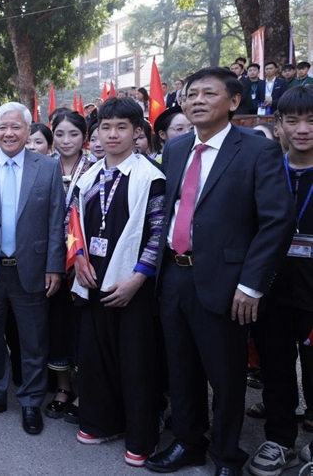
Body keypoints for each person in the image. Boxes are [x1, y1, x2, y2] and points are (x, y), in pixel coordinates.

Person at [145, 67, 295, 476]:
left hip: (229, 283)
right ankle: (189, 443)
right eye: (191, 94)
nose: (196, 100)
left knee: (226, 375)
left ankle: (227, 454)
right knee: (181, 368)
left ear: (232, 101)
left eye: (208, 94)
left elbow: (277, 222)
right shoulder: (175, 150)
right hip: (174, 275)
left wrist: (251, 284)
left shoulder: (256, 150)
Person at [0, 102, 66, 436]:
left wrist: (54, 267)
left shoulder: (47, 168)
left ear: (29, 130)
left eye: (16, 127)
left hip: (31, 269)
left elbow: (55, 223)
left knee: (33, 341)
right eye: (2, 127)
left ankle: (31, 401)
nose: (8, 133)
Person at [70, 97, 166, 467]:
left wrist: (138, 279)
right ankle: (101, 422)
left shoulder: (151, 176)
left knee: (136, 362)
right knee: (94, 358)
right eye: (105, 127)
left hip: (132, 286)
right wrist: (77, 257)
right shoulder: (89, 174)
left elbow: (159, 234)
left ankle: (141, 436)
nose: (112, 134)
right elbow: (71, 223)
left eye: (121, 127)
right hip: (92, 278)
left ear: (136, 132)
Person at [246, 86, 313, 476]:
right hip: (271, 289)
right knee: (275, 367)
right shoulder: (267, 170)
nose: (303, 129)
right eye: (293, 120)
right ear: (279, 125)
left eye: (311, 120)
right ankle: (280, 440)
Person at [45, 111, 93, 421]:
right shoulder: (43, 167)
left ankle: (85, 389)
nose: (66, 141)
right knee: (56, 325)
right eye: (60, 134)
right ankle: (62, 388)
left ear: (84, 137)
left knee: (84, 327)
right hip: (48, 259)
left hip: (83, 259)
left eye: (73, 134)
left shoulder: (95, 167)